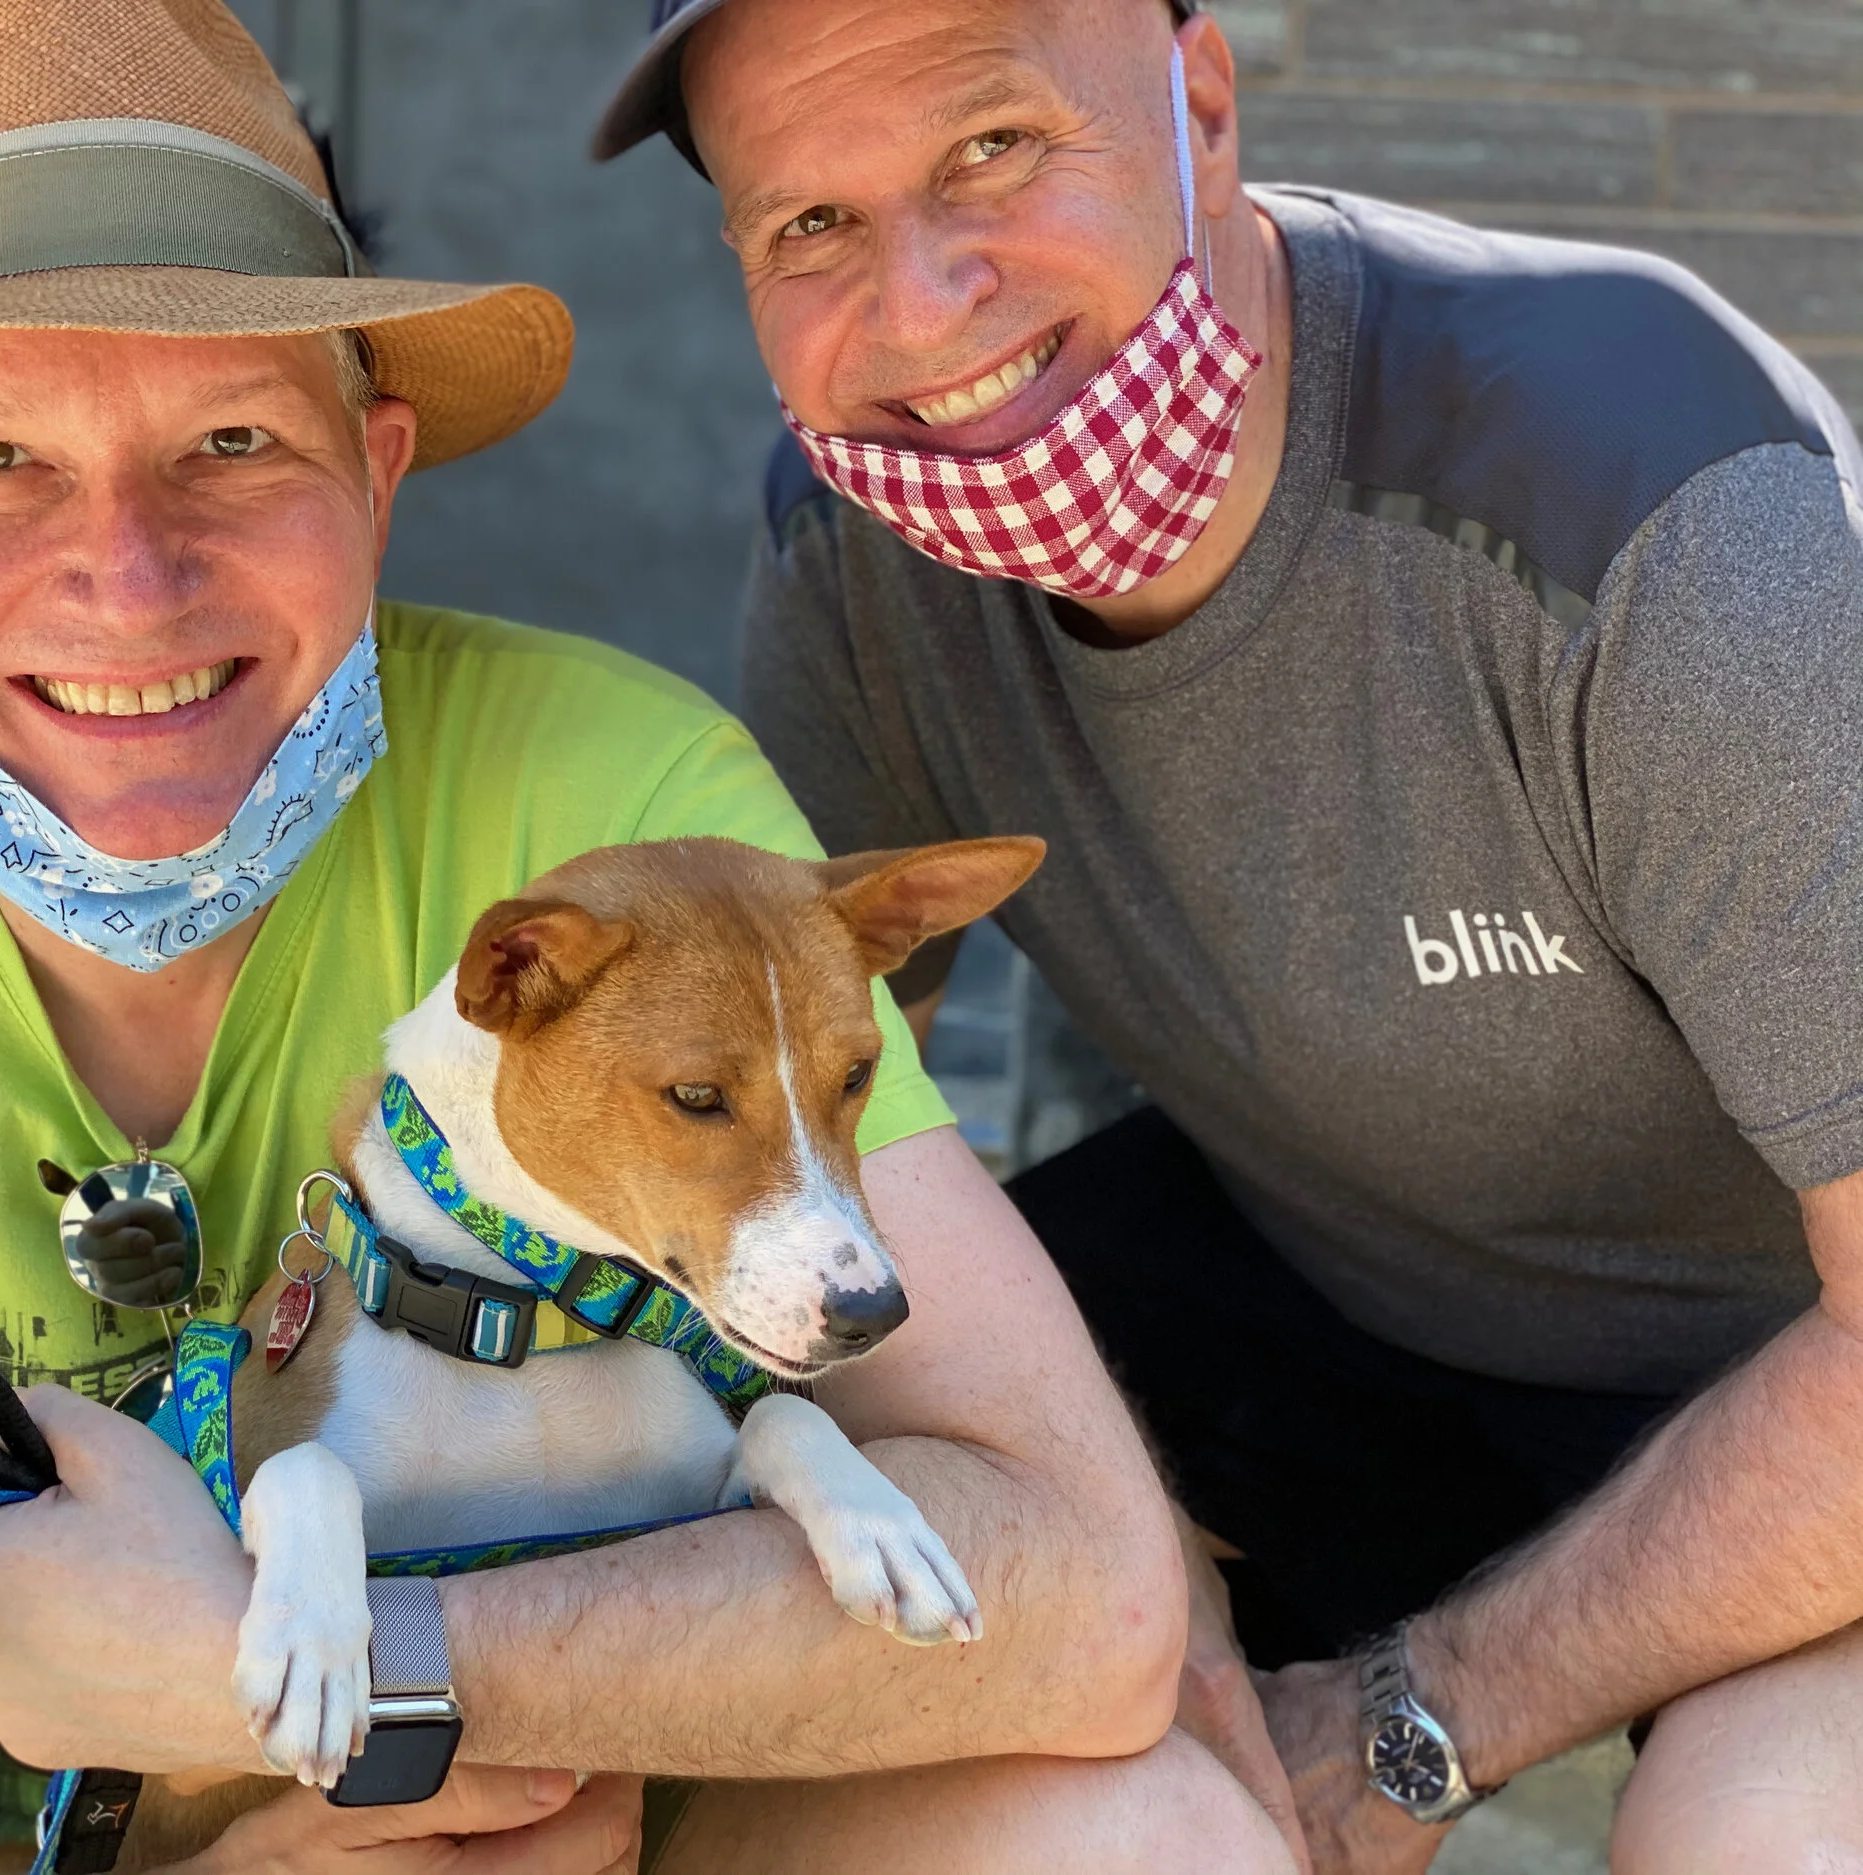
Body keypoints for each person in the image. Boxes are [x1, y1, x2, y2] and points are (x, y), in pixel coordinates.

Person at [0, 3, 1292, 1872]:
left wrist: (311, 1671)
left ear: (374, 477)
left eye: (229, 440)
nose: (128, 575)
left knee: (1152, 1833)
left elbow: (1088, 1600)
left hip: (616, 1834)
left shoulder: (627, 834)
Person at [594, 0, 1863, 1868]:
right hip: (1317, 1281)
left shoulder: (1646, 500)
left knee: (1768, 1834)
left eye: (993, 148)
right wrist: (1127, 1571)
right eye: (812, 225)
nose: (923, 307)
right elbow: (822, 1180)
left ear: (1198, 103)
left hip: (1789, 1376)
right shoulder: (857, 559)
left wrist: (1414, 1718)